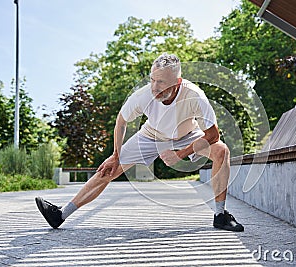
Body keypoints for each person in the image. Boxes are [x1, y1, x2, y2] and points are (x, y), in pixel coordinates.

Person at [35, 53, 244, 232]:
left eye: (161, 82)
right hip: (151, 135)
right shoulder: (144, 95)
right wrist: (115, 155)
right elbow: (121, 121)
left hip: (187, 135)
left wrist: (180, 154)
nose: (155, 87)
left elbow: (213, 135)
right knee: (109, 169)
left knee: (221, 151)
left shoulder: (195, 96)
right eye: (153, 79)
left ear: (177, 82)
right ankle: (61, 215)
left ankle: (220, 215)